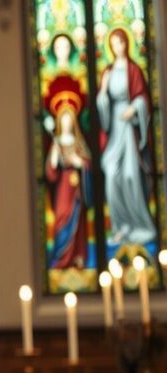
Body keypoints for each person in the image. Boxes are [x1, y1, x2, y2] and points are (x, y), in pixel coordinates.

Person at [97, 28, 157, 247]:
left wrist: (135, 108)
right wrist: (103, 91)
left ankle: (141, 225)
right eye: (113, 44)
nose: (117, 47)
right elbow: (102, 103)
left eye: (120, 43)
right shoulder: (108, 72)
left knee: (131, 175)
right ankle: (121, 226)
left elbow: (143, 98)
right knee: (112, 175)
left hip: (131, 129)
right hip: (115, 125)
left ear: (126, 44)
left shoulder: (134, 70)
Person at [45, 76, 91, 269]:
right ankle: (63, 256)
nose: (65, 122)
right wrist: (55, 158)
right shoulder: (56, 143)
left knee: (78, 222)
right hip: (64, 187)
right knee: (62, 217)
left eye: (68, 119)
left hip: (77, 188)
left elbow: (88, 164)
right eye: (62, 119)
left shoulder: (79, 143)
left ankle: (79, 256)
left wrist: (79, 162)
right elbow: (50, 173)